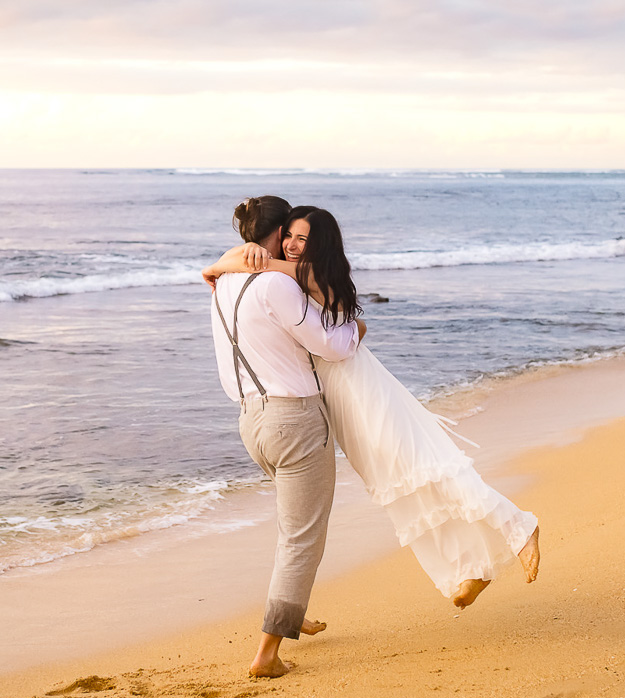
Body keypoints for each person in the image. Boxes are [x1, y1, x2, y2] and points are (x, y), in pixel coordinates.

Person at [204, 205, 541, 610]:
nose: (292, 246)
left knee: (421, 464)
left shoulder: (305, 274)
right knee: (393, 485)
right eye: (288, 236)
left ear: (319, 246)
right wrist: (225, 262)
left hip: (359, 385)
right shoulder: (277, 275)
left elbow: (334, 338)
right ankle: (468, 568)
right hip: (331, 399)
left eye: (302, 239)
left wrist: (228, 262)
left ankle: (519, 525)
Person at [210, 196, 365, 678]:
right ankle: (267, 655)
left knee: (292, 529)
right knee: (302, 538)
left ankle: (293, 611)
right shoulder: (277, 284)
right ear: (279, 236)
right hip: (294, 422)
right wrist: (357, 328)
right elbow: (333, 345)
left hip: (250, 423)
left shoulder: (223, 282)